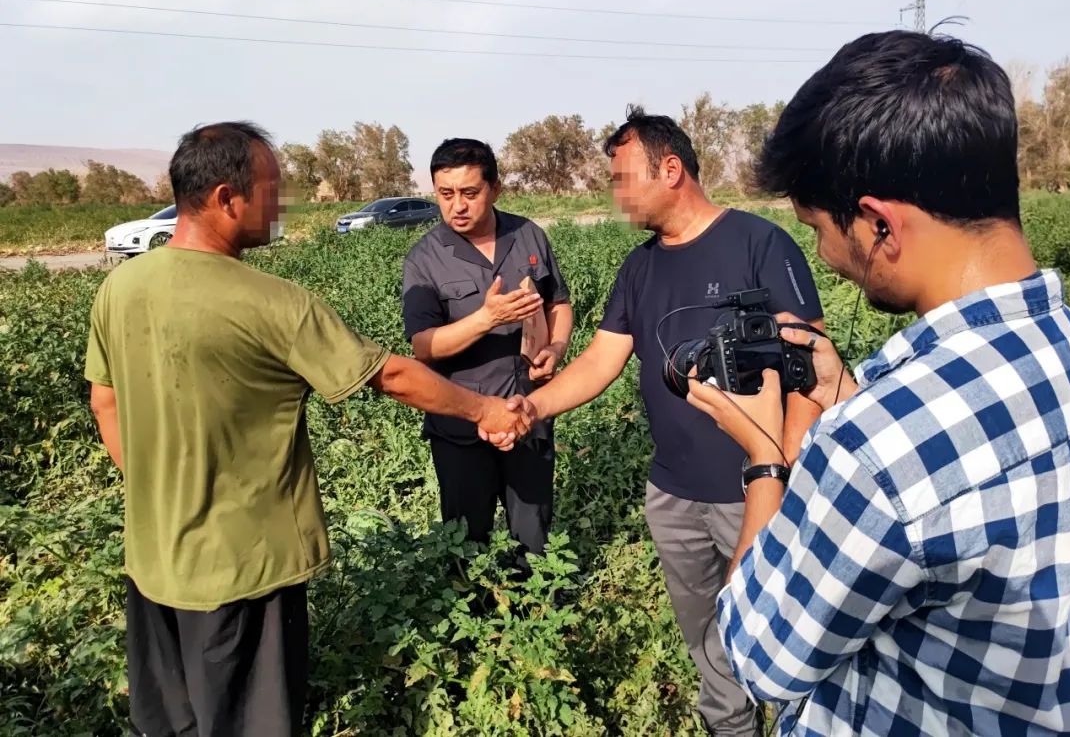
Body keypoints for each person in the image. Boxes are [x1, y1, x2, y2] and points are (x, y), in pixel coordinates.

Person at [686, 30, 1070, 736]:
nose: (824, 254)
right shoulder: (1066, 346)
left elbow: (760, 655)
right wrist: (846, 397)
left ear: (877, 224)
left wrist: (764, 458)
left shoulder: (874, 450)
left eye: (816, 228)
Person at [85, 122, 530, 737]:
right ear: (225, 198)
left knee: (169, 722)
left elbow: (104, 401)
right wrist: (484, 410)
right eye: (272, 188)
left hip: (152, 561)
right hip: (243, 570)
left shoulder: (119, 287)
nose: (282, 203)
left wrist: (160, 490)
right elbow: (391, 375)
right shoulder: (272, 301)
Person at [491, 109, 825, 736]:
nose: (614, 193)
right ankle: (732, 728)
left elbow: (813, 363)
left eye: (622, 178)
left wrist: (784, 460)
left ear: (670, 170)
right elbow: (600, 360)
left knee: (785, 631)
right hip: (673, 495)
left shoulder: (758, 243)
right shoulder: (639, 268)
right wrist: (533, 406)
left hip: (758, 490)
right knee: (708, 641)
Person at [402, 138, 573, 562]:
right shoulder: (424, 259)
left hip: (527, 411)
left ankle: (532, 619)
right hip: (461, 424)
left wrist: (555, 346)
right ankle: (474, 615)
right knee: (466, 540)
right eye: (446, 194)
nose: (457, 205)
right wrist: (486, 318)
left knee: (533, 536)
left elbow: (559, 303)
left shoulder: (528, 235)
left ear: (495, 189)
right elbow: (424, 347)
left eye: (469, 193)